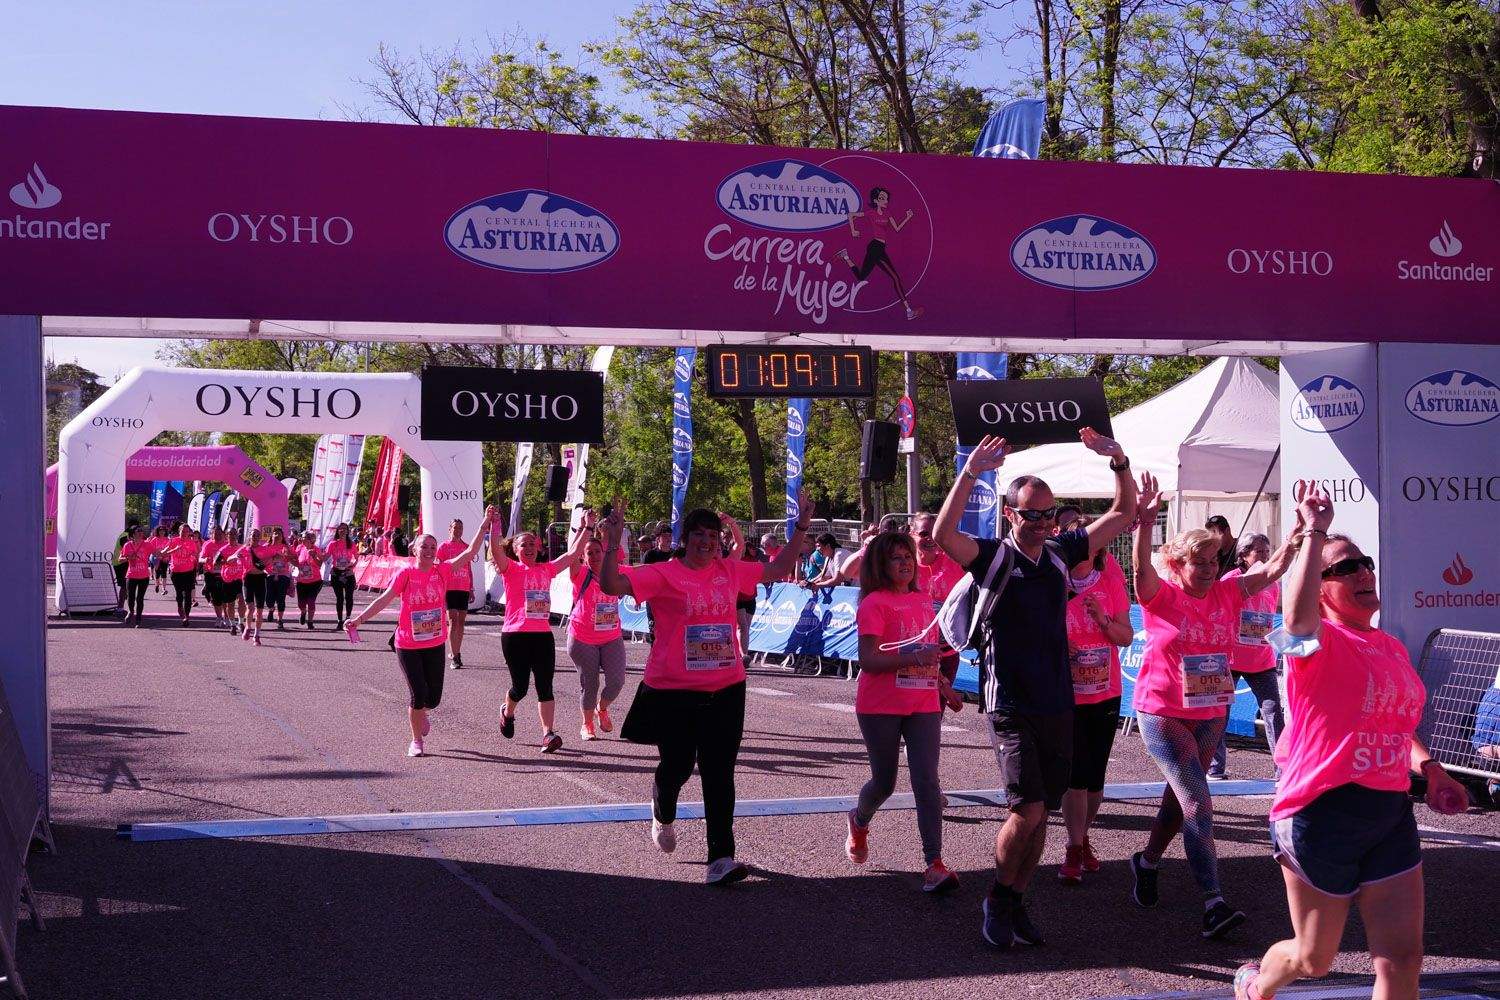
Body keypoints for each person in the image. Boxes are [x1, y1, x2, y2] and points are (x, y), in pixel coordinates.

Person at [1233, 486, 1469, 1000]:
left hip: (1388, 812)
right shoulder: (1313, 642)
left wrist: (1431, 769)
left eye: (1364, 564)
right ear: (1318, 588)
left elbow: (1395, 725)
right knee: (1314, 958)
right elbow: (1296, 620)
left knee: (1402, 958)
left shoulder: (1389, 646)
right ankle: (1254, 985)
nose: (1363, 573)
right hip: (1320, 813)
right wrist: (1314, 533)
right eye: (1344, 569)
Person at [933, 429, 1137, 950]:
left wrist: (1118, 461)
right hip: (1010, 702)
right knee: (1025, 809)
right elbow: (942, 534)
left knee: (1043, 809)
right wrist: (970, 473)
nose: (1043, 523)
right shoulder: (993, 557)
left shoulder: (1061, 552)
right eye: (1032, 515)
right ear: (1009, 514)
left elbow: (1122, 514)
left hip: (1058, 700)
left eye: (1049, 514)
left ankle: (1017, 899)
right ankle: (998, 898)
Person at [599, 495, 814, 885]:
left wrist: (800, 525)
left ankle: (720, 858)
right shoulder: (663, 573)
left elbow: (780, 568)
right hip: (674, 690)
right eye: (699, 535)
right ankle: (663, 810)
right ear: (685, 539)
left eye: (712, 536)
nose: (707, 542)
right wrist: (613, 544)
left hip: (726, 687)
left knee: (719, 771)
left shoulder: (729, 570)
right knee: (678, 766)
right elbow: (611, 584)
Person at [1129, 472, 1297, 939]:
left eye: (1213, 560)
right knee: (1198, 803)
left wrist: (1303, 532)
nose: (1207, 569)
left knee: (1180, 800)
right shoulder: (1160, 596)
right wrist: (1145, 523)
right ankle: (1213, 902)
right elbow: (1140, 569)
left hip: (1210, 710)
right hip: (1163, 712)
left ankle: (1147, 861)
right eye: (1198, 562)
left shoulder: (1228, 590)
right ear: (1178, 563)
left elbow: (1272, 570)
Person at [845, 530, 958, 894]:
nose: (905, 563)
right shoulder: (874, 603)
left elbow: (928, 653)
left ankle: (934, 863)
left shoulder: (923, 600)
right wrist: (912, 658)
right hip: (880, 705)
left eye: (908, 556)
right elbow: (868, 659)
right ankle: (860, 819)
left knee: (927, 781)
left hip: (923, 702)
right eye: (896, 557)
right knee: (885, 782)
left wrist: (943, 684)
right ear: (881, 564)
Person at [346, 509, 497, 757]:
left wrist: (485, 523)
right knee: (418, 694)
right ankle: (416, 741)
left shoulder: (442, 570)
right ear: (414, 550)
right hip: (408, 643)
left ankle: (422, 712)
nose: (429, 550)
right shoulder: (406, 574)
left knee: (433, 699)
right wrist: (359, 619)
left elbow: (470, 552)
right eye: (424, 546)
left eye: (432, 547)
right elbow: (384, 599)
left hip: (435, 642)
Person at [1057, 518, 1133, 884]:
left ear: (1098, 548)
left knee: (1095, 778)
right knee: (1075, 774)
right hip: (1066, 692)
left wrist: (1103, 621)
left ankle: (1083, 835)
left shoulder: (1110, 583)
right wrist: (1060, 645)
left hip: (1105, 691)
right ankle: (1074, 846)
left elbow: (1126, 637)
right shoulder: (1052, 583)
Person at [491, 525, 587, 753]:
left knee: (545, 686)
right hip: (515, 635)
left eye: (532, 544)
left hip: (542, 636)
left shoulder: (546, 569)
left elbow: (572, 554)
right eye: (523, 545)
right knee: (520, 688)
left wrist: (587, 527)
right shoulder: (511, 568)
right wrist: (493, 524)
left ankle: (548, 734)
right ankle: (507, 712)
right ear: (515, 550)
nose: (529, 548)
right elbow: (496, 550)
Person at [1210, 533, 1283, 781]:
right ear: (1243, 555)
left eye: (1267, 552)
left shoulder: (1272, 583)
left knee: (1273, 712)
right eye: (1259, 552)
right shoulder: (1231, 580)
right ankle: (1215, 767)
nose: (1264, 556)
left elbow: (1269, 615)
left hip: (1261, 660)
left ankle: (1283, 770)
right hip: (1230, 658)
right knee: (1219, 713)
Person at [568, 515, 628, 742]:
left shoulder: (615, 571)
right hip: (582, 637)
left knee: (616, 682)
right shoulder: (580, 574)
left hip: (611, 636)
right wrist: (585, 528)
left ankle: (601, 708)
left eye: (597, 552)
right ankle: (586, 724)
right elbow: (572, 556)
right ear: (583, 557)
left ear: (604, 553)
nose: (594, 556)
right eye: (589, 553)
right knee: (590, 684)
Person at [834, 186, 921, 321]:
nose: (885, 201)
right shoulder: (871, 213)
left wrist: (907, 217)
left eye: (886, 198)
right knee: (895, 278)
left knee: (861, 276)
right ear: (876, 201)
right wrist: (853, 230)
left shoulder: (888, 213)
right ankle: (909, 311)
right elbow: (851, 215)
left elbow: (897, 228)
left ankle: (845, 256)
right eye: (882, 198)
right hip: (875, 247)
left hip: (880, 248)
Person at [435, 519, 477, 670]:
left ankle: (456, 650)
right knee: (453, 620)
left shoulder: (466, 547)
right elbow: (438, 567)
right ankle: (455, 656)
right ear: (450, 529)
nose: (458, 530)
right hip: (449, 588)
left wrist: (471, 588)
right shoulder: (443, 547)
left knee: (461, 622)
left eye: (460, 528)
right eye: (455, 527)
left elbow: (469, 568)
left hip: (463, 587)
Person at [159, 524, 202, 626]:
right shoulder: (173, 541)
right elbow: (163, 554)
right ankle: (179, 607)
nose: (185, 533)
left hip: (189, 571)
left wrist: (195, 561)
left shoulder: (191, 542)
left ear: (189, 533)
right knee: (179, 593)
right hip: (176, 572)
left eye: (187, 531)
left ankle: (186, 616)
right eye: (183, 531)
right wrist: (174, 550)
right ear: (179, 531)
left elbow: (196, 555)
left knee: (187, 594)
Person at [236, 527, 270, 645]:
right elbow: (233, 559)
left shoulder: (264, 550)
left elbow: (272, 559)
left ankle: (257, 635)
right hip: (248, 579)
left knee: (259, 611)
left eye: (257, 535)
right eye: (253, 535)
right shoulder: (244, 549)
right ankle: (248, 627)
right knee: (250, 608)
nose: (255, 537)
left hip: (260, 579)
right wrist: (237, 557)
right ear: (249, 537)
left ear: (260, 537)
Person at [326, 523, 359, 629]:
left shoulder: (351, 544)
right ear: (337, 531)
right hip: (336, 573)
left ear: (347, 531)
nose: (342, 531)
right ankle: (340, 621)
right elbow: (325, 557)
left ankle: (348, 618)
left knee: (349, 596)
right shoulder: (332, 544)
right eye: (340, 529)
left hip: (348, 573)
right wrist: (316, 555)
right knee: (339, 598)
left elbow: (356, 557)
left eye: (345, 529)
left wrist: (352, 565)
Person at [215, 529, 248, 635]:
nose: (232, 536)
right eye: (230, 534)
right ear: (226, 536)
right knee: (230, 603)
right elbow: (215, 563)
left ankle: (241, 622)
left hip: (240, 577)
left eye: (234, 533)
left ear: (237, 535)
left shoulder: (242, 548)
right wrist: (227, 561)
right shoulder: (223, 550)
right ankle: (233, 624)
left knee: (242, 600)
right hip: (228, 578)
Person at [261, 526, 294, 630]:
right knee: (269, 600)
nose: (277, 535)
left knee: (281, 598)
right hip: (269, 574)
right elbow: (261, 562)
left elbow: (292, 558)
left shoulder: (286, 547)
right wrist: (273, 558)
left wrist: (287, 556)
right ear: (272, 535)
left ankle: (280, 620)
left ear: (282, 536)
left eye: (279, 534)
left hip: (283, 575)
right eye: (275, 533)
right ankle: (271, 609)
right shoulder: (266, 547)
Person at [119, 527, 153, 627]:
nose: (140, 534)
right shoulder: (127, 545)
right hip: (131, 575)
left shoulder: (147, 544)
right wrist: (129, 557)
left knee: (140, 598)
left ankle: (138, 619)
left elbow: (157, 553)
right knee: (130, 597)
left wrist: (169, 550)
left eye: (141, 532)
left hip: (144, 576)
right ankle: (131, 611)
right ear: (133, 535)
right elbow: (120, 559)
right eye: (138, 532)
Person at [295, 530, 326, 629]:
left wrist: (314, 556)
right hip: (301, 581)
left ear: (310, 540)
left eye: (304, 537)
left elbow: (320, 564)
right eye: (302, 537)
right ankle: (303, 612)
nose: (302, 539)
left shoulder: (316, 549)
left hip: (315, 581)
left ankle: (310, 621)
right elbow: (295, 559)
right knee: (301, 604)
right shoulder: (299, 548)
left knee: (311, 601)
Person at [200, 528, 227, 626]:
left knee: (224, 597)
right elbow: (200, 558)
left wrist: (224, 561)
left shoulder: (227, 545)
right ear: (212, 534)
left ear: (223, 534)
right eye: (215, 534)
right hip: (211, 573)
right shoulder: (207, 544)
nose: (217, 536)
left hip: (224, 573)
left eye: (219, 534)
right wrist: (205, 560)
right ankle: (219, 617)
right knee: (216, 597)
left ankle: (227, 617)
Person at [149, 524, 171, 594]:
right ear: (157, 531)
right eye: (160, 531)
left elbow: (170, 549)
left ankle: (164, 589)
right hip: (156, 558)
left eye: (163, 531)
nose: (162, 532)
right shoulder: (155, 539)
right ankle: (157, 584)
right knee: (157, 572)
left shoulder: (168, 539)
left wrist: (166, 556)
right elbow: (150, 548)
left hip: (165, 558)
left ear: (165, 531)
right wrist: (157, 554)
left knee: (164, 573)